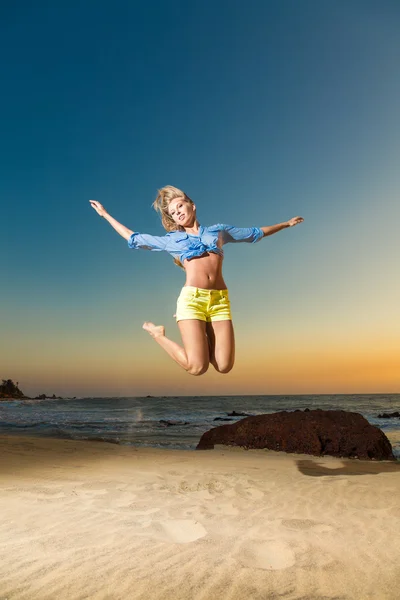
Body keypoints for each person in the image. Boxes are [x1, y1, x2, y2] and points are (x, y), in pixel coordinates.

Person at [90, 185, 303, 376]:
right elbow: (133, 237)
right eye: (172, 213)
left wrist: (286, 224)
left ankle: (199, 331)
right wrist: (105, 214)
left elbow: (255, 233)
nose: (177, 213)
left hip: (219, 301)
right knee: (197, 367)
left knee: (224, 366)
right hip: (192, 301)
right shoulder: (172, 240)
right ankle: (158, 334)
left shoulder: (218, 231)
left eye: (180, 207)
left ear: (192, 205)